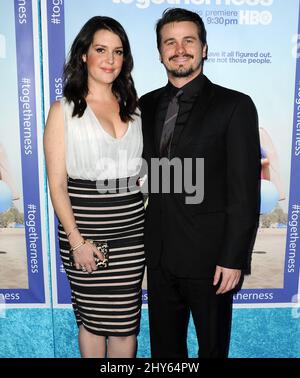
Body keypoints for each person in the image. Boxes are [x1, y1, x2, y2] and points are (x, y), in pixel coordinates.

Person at [139, 8, 261, 358]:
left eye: (188, 40)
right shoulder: (144, 106)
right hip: (159, 257)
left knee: (212, 349)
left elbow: (244, 192)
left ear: (204, 48)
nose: (180, 49)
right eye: (170, 42)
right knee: (165, 352)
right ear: (160, 51)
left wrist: (233, 257)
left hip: (212, 262)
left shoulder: (235, 106)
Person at [44, 16, 145, 358]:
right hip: (86, 234)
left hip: (132, 234)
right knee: (91, 321)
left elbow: (142, 173)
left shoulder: (136, 110)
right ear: (84, 55)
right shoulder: (63, 111)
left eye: (118, 52)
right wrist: (77, 241)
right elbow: (57, 184)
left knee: (125, 323)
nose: (110, 59)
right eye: (101, 50)